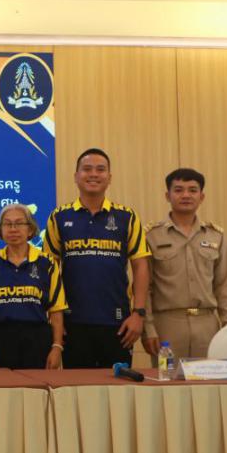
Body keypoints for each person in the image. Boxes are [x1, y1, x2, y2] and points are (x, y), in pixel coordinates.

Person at [43, 148, 151, 368]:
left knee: (118, 386)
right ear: (76, 176)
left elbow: (141, 266)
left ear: (109, 177)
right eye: (87, 169)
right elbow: (50, 271)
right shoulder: (59, 217)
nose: (93, 174)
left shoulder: (127, 217)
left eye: (100, 169)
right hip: (72, 322)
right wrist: (55, 319)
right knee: (77, 387)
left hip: (119, 322)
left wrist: (138, 314)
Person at [142, 168, 227, 359]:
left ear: (202, 197)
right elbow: (145, 287)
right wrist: (148, 328)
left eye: (192, 190)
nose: (186, 195)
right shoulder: (151, 236)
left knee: (208, 376)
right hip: (167, 325)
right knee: (169, 377)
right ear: (167, 196)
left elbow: (224, 285)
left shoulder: (215, 235)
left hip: (207, 325)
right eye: (178, 190)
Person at [0, 204, 66, 369]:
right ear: (1, 230)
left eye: (19, 223)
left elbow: (56, 310)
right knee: (3, 385)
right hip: (1, 338)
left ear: (30, 229)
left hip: (37, 337)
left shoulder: (46, 263)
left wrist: (57, 347)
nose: (13, 229)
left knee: (38, 385)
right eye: (7, 224)